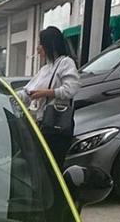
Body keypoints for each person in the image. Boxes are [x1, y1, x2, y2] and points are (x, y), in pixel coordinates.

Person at [24, 26, 80, 162]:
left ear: (50, 45)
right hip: (43, 124)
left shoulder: (65, 63)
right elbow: (27, 91)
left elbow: (71, 89)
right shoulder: (45, 68)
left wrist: (45, 93)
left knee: (51, 164)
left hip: (56, 125)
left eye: (41, 44)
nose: (38, 48)